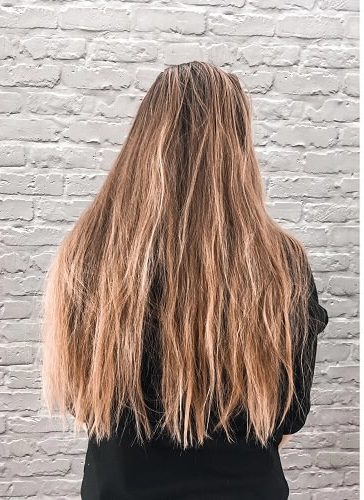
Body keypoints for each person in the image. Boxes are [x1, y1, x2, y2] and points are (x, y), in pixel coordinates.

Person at [40, 61, 328, 499]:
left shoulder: (86, 254)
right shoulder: (280, 264)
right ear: (238, 147)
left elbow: (82, 401)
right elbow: (286, 419)